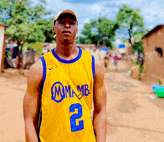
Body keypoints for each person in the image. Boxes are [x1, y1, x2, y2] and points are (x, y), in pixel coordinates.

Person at [23, 9, 107, 142]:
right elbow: (29, 119)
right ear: (53, 29)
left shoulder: (93, 65)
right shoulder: (39, 68)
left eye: (71, 23)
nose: (67, 26)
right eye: (62, 22)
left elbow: (100, 111)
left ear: (77, 29)